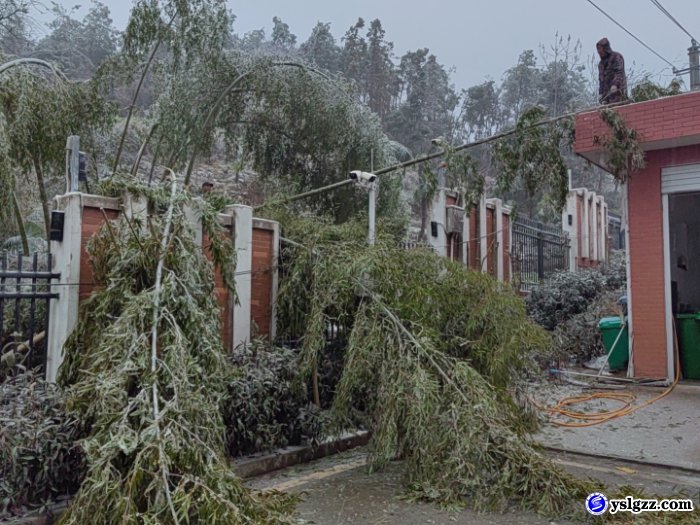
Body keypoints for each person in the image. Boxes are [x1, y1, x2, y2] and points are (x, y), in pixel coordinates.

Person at [597, 38, 627, 104]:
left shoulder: (616, 57)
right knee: (607, 110)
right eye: (598, 51)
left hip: (618, 91)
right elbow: (601, 80)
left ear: (606, 49)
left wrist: (615, 84)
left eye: (600, 50)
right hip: (606, 94)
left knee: (618, 107)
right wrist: (601, 93)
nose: (599, 52)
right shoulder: (601, 64)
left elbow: (618, 72)